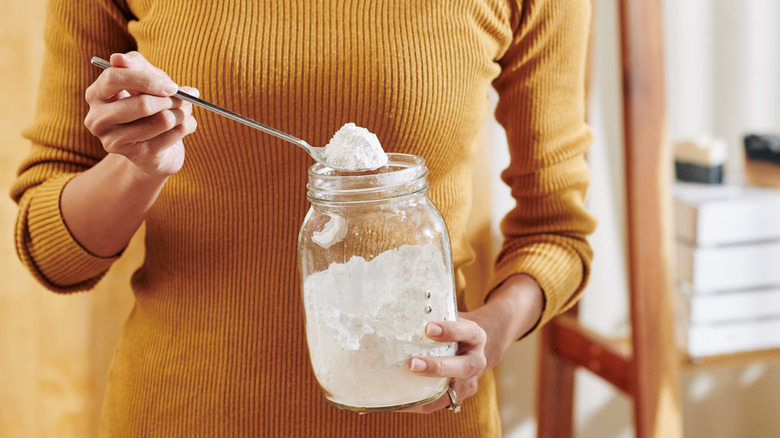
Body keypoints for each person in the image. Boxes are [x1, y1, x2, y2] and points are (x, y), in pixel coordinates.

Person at [11, 0, 596, 436]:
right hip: (182, 413)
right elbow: (52, 252)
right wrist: (139, 168)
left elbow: (556, 230)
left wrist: (491, 330)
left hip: (423, 419)